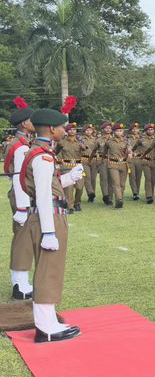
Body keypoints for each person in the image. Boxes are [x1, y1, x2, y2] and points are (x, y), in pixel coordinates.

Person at [20, 106, 86, 342]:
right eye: (61, 127)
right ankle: (46, 327)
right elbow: (44, 196)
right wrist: (48, 231)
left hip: (50, 213)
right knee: (49, 271)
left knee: (50, 270)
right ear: (51, 129)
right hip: (48, 217)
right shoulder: (42, 156)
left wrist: (70, 178)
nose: (63, 130)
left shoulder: (42, 152)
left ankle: (48, 321)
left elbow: (50, 188)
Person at [7, 96, 36, 300]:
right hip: (21, 195)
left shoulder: (21, 143)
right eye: (32, 120)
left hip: (20, 194)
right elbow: (18, 177)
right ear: (25, 124)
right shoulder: (21, 147)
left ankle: (20, 282)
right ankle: (20, 286)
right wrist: (22, 208)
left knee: (22, 238)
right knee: (23, 239)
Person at [100, 123, 133, 208]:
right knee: (116, 183)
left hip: (123, 164)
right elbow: (104, 152)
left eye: (121, 131)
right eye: (117, 131)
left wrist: (130, 153)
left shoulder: (126, 141)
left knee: (122, 185)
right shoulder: (109, 142)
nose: (119, 132)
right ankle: (119, 200)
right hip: (113, 164)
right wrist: (102, 159)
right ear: (114, 132)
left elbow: (130, 149)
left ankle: (120, 199)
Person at [57, 119, 84, 212]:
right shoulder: (62, 142)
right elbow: (57, 152)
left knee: (80, 187)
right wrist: (59, 163)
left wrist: (83, 147)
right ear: (67, 131)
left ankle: (77, 203)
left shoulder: (80, 142)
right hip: (66, 167)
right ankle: (70, 207)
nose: (72, 131)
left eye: (74, 129)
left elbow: (85, 150)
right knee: (69, 188)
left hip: (77, 167)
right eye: (70, 129)